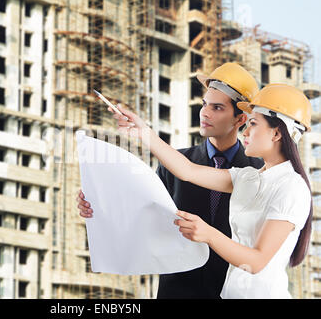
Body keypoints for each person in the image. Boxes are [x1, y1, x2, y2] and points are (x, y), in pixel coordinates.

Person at [107, 83, 313, 298]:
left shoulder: (292, 187)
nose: (246, 131)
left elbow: (257, 261)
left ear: (277, 133)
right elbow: (187, 170)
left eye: (253, 123)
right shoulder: (250, 177)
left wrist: (208, 234)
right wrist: (143, 132)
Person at [77, 63, 264, 298]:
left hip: (234, 291)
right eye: (205, 104)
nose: (205, 113)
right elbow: (144, 215)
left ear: (240, 119)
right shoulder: (174, 162)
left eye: (217, 108)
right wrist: (98, 206)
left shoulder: (258, 173)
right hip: (177, 290)